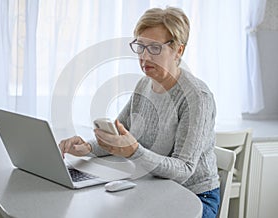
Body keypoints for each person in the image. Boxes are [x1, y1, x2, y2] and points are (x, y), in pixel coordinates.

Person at [59, 7, 220, 218]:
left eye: (154, 48)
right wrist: (87, 147)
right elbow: (119, 136)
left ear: (178, 50)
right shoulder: (144, 84)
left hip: (195, 197)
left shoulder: (197, 97)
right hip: (156, 187)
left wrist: (134, 151)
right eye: (140, 46)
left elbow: (184, 170)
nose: (144, 56)